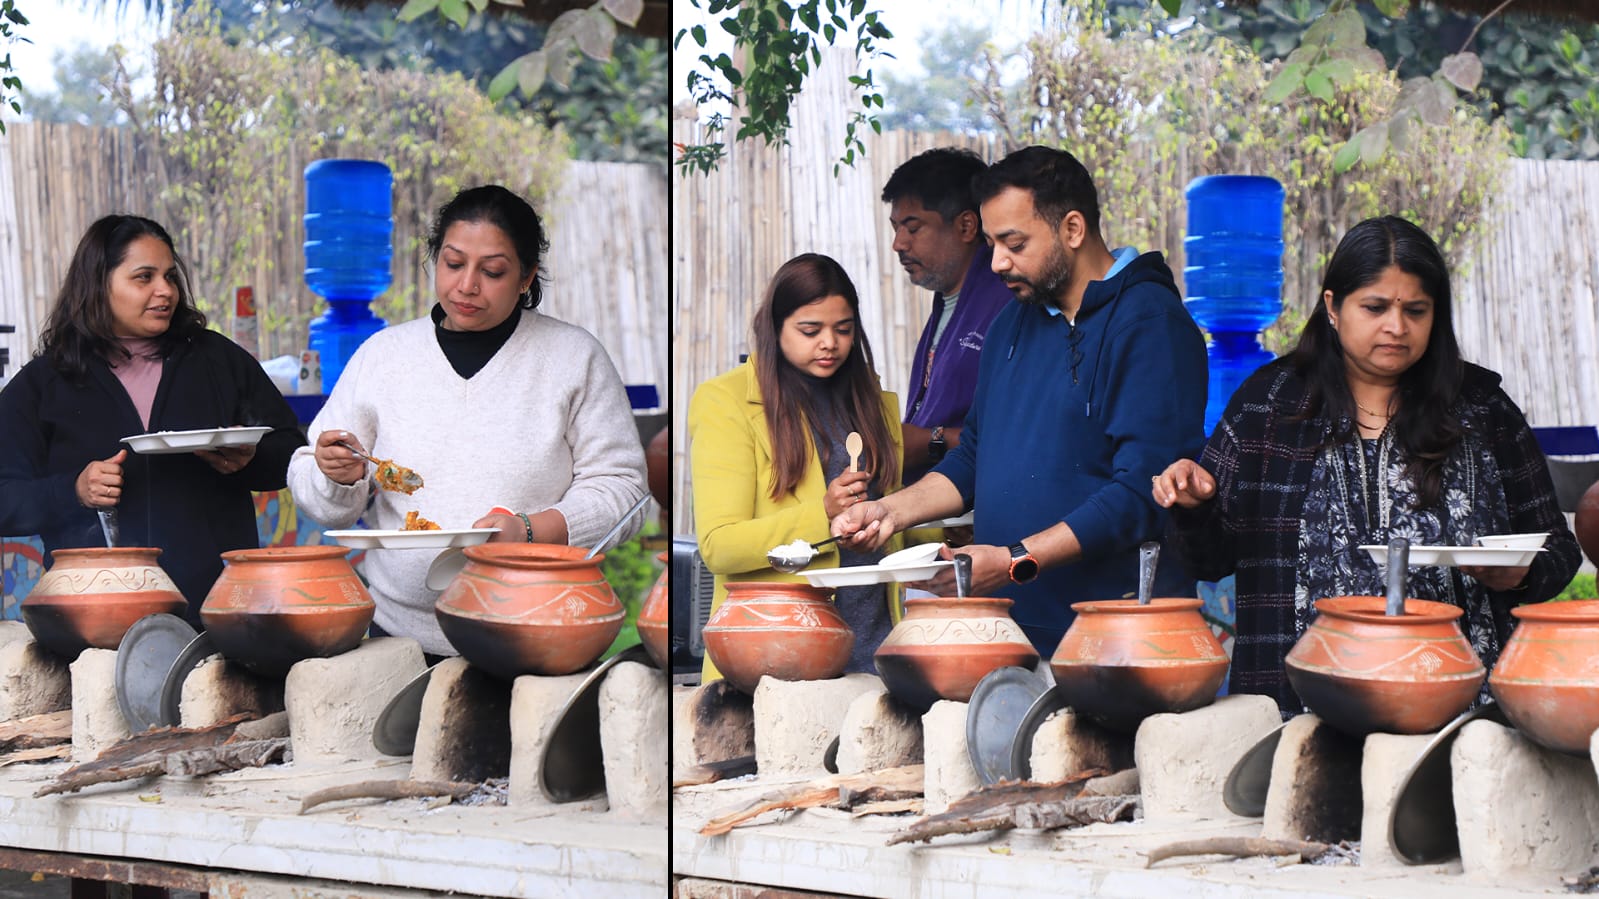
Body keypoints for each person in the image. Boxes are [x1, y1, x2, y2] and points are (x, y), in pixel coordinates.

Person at [1153, 215, 1583, 715]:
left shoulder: (1483, 410)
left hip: (1465, 711)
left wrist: (1520, 576)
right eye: (1375, 307)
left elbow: (1557, 548)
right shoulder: (1268, 405)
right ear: (1333, 307)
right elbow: (1208, 560)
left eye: (1416, 311)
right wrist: (1195, 505)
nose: (1396, 327)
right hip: (1300, 709)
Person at [834, 145, 1209, 655]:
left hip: (1115, 642)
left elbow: (1141, 494)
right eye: (991, 243)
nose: (996, 262)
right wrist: (889, 512)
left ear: (1073, 229)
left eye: (1013, 243)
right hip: (1009, 635)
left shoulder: (1150, 324)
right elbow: (973, 456)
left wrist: (1015, 562)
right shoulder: (1011, 321)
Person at [287, 185, 648, 660]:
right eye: (453, 264)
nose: (467, 285)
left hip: (537, 628)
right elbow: (317, 487)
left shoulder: (572, 357)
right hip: (400, 639)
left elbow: (624, 492)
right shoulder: (384, 356)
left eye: (493, 271)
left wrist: (531, 530)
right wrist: (334, 475)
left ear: (526, 278)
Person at [0, 214, 304, 622]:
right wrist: (72, 490)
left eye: (170, 277)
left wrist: (251, 461)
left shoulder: (216, 360)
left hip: (216, 613)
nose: (165, 291)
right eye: (144, 278)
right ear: (98, 284)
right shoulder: (47, 381)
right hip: (93, 617)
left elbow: (291, 453)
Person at [689, 253, 904, 678]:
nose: (830, 343)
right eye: (810, 330)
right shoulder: (726, 402)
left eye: (844, 330)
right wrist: (822, 514)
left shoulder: (875, 403)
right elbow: (719, 546)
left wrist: (945, 529)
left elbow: (891, 518)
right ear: (775, 326)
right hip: (775, 659)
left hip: (878, 655)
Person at [881, 147, 1012, 485]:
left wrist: (929, 442)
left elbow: (1015, 433)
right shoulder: (947, 297)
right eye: (895, 228)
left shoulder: (1009, 302)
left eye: (913, 228)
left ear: (967, 226)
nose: (898, 243)